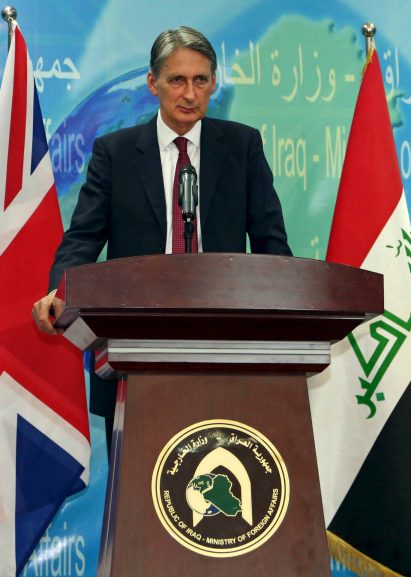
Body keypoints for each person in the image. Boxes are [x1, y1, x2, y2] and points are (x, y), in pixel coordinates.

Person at [31, 26, 292, 448]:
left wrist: (286, 305)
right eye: (177, 80)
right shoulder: (115, 153)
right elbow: (82, 238)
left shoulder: (242, 147)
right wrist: (59, 291)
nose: (190, 94)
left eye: (201, 80)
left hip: (225, 348)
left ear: (213, 83)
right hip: (134, 350)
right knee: (137, 493)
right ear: (153, 83)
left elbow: (271, 242)